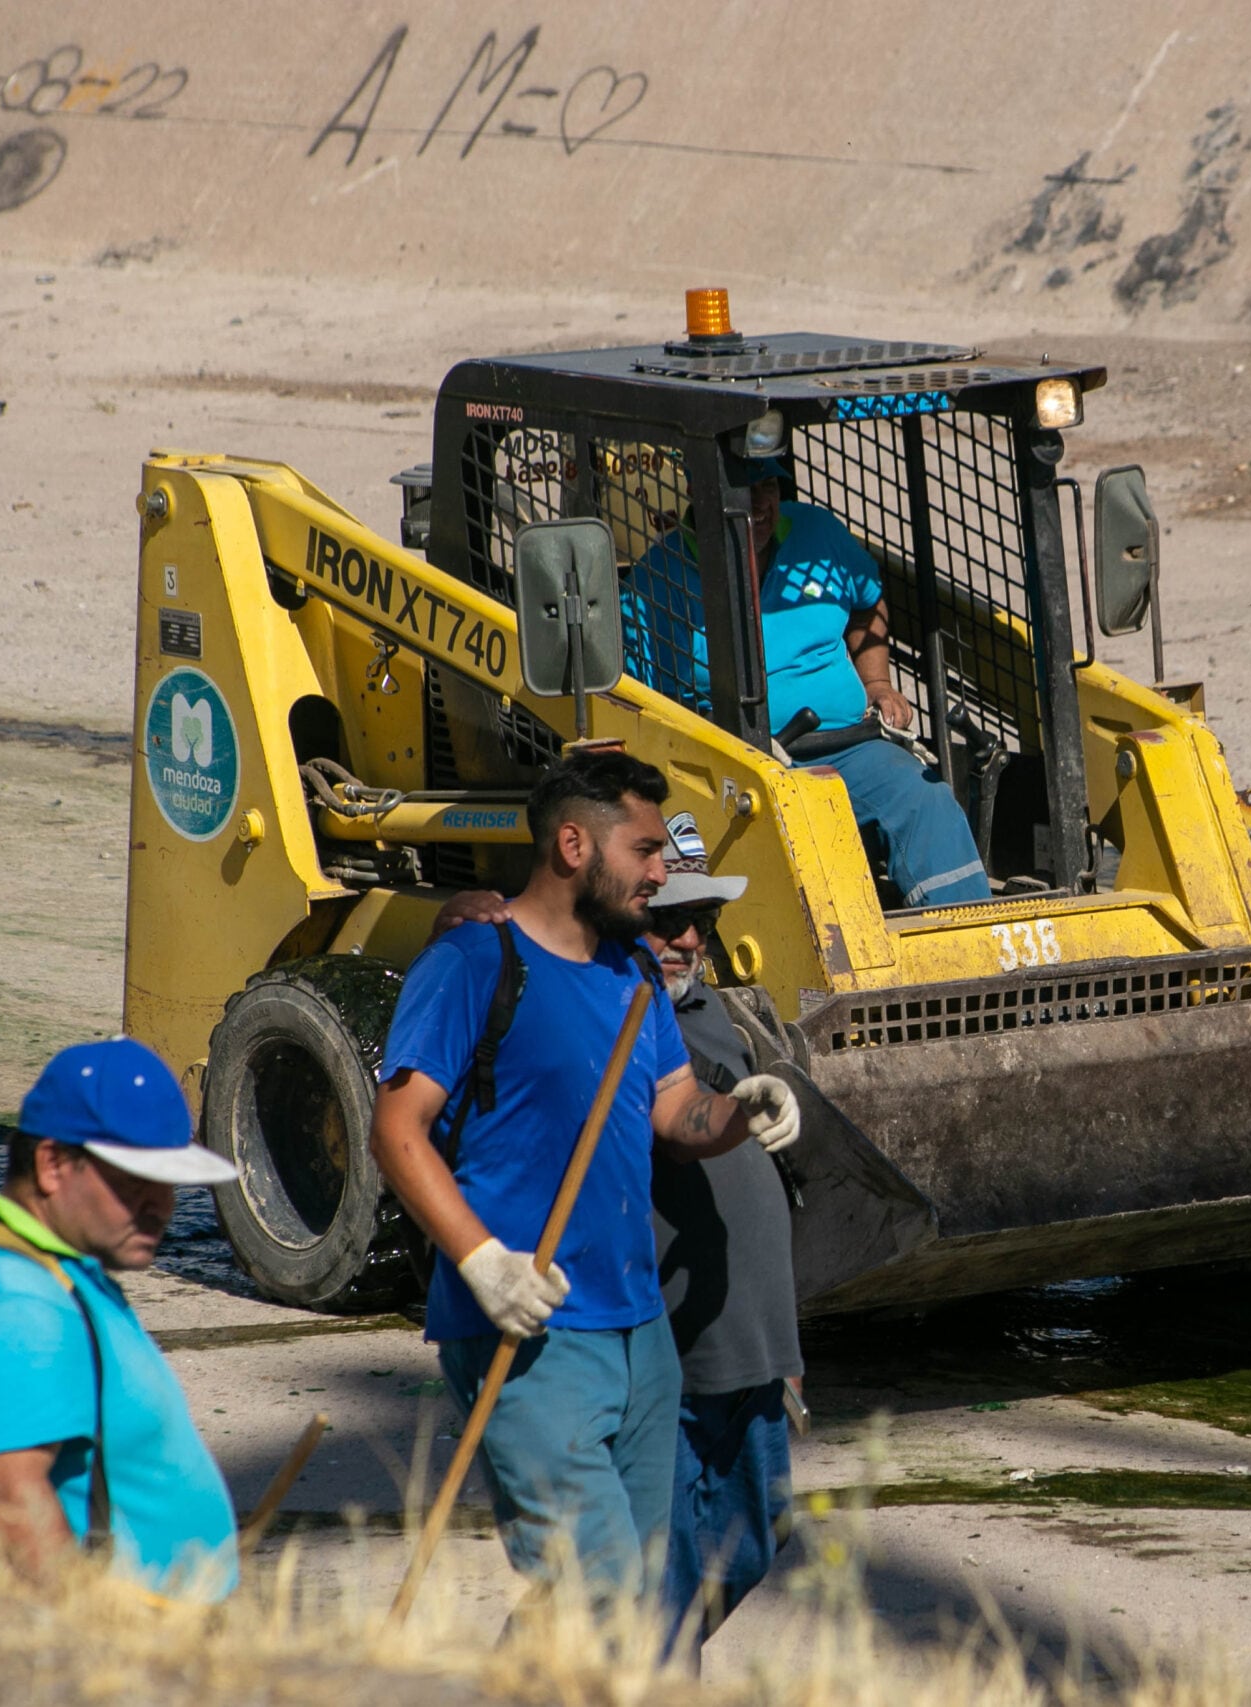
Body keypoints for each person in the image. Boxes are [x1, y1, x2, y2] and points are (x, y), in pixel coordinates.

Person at [370, 748, 801, 1611]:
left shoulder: (630, 974)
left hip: (641, 1335)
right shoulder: (472, 964)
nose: (660, 872)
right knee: (597, 1588)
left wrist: (741, 1108)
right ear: (573, 845)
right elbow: (396, 1127)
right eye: (644, 851)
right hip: (530, 1330)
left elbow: (676, 1116)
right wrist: (484, 1260)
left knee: (637, 1598)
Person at [0, 1037, 243, 1598]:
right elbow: (5, 1504)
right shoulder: (12, 1304)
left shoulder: (33, 1271)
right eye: (134, 1180)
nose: (160, 1204)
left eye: (169, 1181)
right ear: (52, 1164)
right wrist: (94, 1637)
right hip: (101, 1659)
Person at [622, 455, 992, 908]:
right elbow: (638, 706)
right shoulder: (654, 582)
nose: (760, 503)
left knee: (924, 798)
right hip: (736, 766)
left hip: (848, 744)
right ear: (702, 493)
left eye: (769, 488)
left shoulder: (817, 537)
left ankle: (968, 936)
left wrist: (876, 683)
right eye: (744, 490)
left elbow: (867, 603)